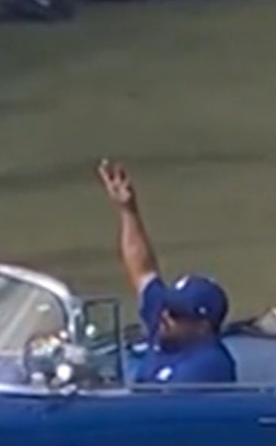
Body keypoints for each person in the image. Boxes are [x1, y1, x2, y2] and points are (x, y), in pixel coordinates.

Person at [95, 158, 236, 386]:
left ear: (203, 327)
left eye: (177, 313)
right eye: (168, 307)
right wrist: (127, 211)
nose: (165, 316)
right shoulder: (167, 327)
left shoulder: (208, 366)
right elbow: (142, 270)